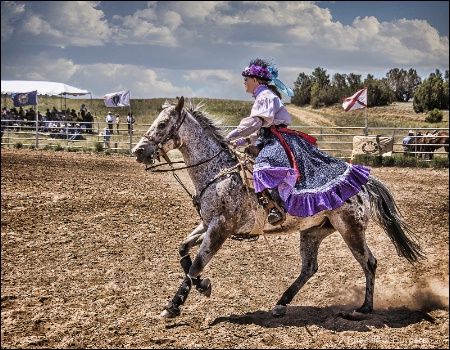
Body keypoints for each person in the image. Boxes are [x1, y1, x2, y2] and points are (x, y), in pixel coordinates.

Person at [226, 58, 371, 225]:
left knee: (263, 167)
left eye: (246, 78)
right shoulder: (262, 96)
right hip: (269, 138)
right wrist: (238, 142)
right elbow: (260, 130)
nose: (244, 81)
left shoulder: (265, 96)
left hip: (278, 140)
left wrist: (230, 136)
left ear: (255, 80)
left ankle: (276, 207)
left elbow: (256, 122)